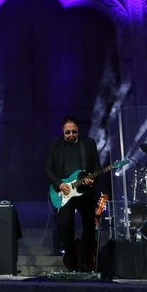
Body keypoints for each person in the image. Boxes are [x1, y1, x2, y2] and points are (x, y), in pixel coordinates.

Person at [45, 116, 101, 272]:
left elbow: (97, 166)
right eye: (68, 132)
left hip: (85, 192)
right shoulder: (55, 145)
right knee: (65, 225)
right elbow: (48, 169)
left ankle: (86, 258)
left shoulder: (88, 144)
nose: (71, 135)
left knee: (90, 225)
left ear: (78, 131)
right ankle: (70, 257)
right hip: (65, 192)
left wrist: (92, 178)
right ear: (63, 130)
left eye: (74, 132)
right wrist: (59, 184)